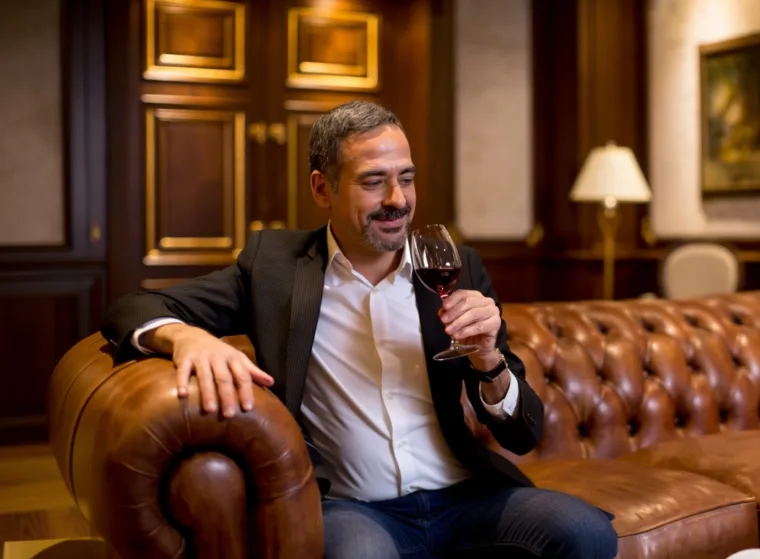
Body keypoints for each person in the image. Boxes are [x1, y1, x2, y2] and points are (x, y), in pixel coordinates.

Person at [100, 101, 617, 559]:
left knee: (586, 533)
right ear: (322, 188)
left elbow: (523, 434)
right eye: (374, 181)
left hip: (464, 496)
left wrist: (489, 361)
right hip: (354, 508)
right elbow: (133, 306)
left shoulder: (456, 265)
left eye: (407, 177)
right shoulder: (276, 267)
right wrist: (187, 336)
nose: (398, 198)